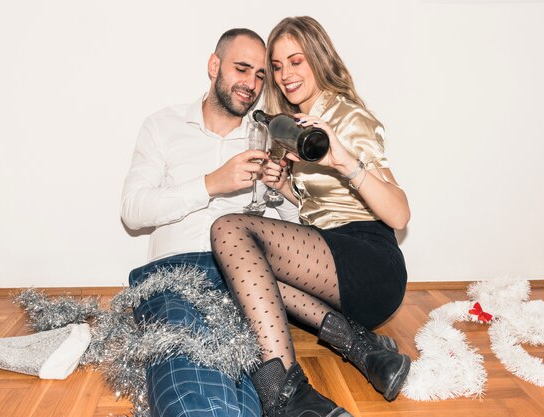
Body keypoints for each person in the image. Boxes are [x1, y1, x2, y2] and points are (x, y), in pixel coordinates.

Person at [210, 16, 412, 417]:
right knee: (244, 272)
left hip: (371, 262)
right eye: (279, 67)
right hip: (338, 283)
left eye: (296, 61)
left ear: (318, 59)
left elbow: (400, 213)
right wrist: (284, 185)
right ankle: (365, 349)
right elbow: (320, 212)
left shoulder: (346, 117)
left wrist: (345, 161)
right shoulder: (299, 125)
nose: (285, 75)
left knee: (229, 229)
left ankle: (284, 396)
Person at [120, 28, 298, 417]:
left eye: (260, 76)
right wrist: (210, 184)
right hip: (173, 273)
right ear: (214, 65)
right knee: (183, 356)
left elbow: (302, 235)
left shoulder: (269, 135)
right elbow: (133, 211)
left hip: (246, 280)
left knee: (259, 379)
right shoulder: (163, 126)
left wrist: (283, 190)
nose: (251, 84)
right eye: (242, 69)